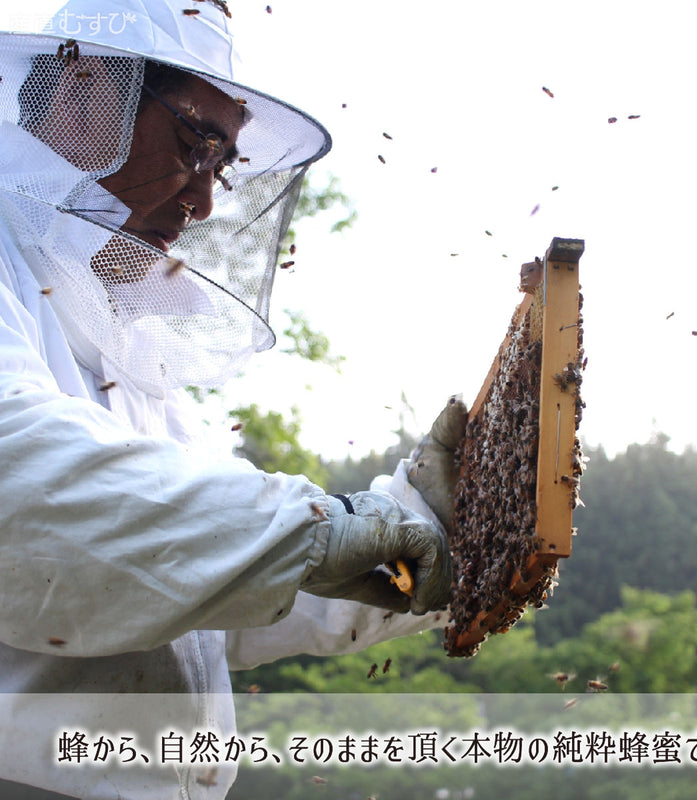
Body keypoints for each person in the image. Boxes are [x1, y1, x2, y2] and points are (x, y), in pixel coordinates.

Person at [0, 1, 467, 797]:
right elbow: (23, 488)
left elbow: (205, 580)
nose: (206, 203)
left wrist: (424, 525)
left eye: (221, 166)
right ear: (84, 95)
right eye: (195, 143)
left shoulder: (127, 360)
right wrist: (313, 534)